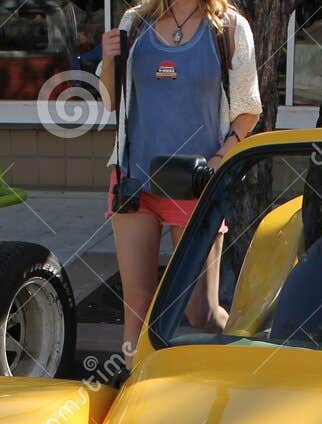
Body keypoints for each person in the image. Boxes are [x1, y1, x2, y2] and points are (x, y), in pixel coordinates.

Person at [99, 0, 261, 361]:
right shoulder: (135, 22)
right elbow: (110, 101)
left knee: (200, 313)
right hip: (135, 181)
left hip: (196, 182)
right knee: (137, 311)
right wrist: (109, 60)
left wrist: (222, 157)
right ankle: (132, 393)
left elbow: (248, 111)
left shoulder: (230, 28)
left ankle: (241, 362)